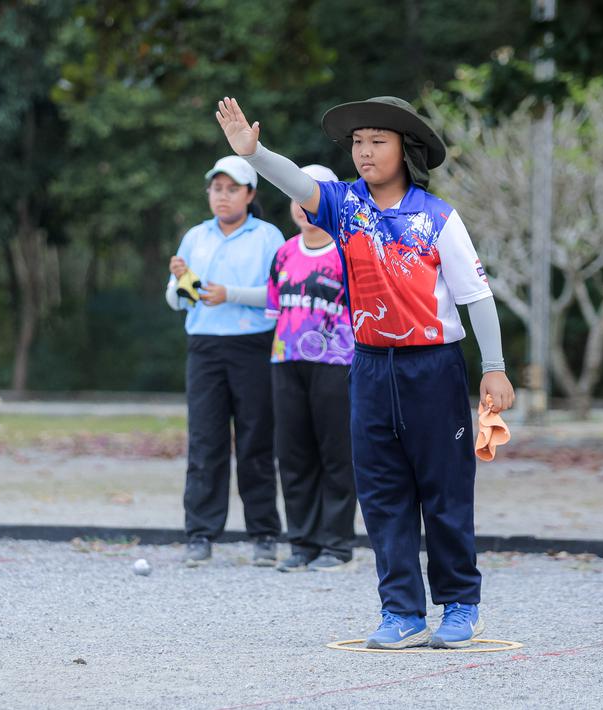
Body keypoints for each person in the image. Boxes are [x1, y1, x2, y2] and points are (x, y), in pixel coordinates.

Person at [215, 97, 516, 649]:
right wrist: (254, 153)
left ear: (406, 149)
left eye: (378, 140)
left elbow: (477, 297)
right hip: (370, 368)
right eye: (357, 142)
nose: (365, 151)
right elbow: (296, 185)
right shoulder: (344, 205)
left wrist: (494, 369)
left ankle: (460, 605)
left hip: (434, 369)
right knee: (381, 493)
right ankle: (401, 610)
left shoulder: (438, 217)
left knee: (444, 491)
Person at [165, 156, 285, 567]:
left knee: (256, 442)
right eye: (217, 188)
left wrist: (230, 293)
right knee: (205, 442)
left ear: (250, 195)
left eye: (232, 189)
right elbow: (177, 299)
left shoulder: (269, 236)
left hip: (252, 346)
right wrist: (182, 279)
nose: (223, 196)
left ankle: (265, 534)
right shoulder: (195, 237)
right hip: (204, 347)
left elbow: (279, 295)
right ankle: (200, 534)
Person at [266, 164, 357, 573]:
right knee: (293, 454)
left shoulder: (348, 249)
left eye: (312, 196)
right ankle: (302, 543)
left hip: (337, 363)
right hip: (286, 361)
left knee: (337, 454)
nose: (304, 206)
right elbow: (274, 308)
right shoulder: (283, 252)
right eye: (297, 196)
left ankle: (337, 546)